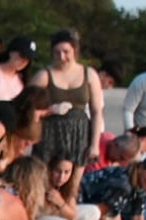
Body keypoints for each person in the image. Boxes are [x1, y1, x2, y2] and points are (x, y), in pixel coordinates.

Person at [30, 29, 104, 167]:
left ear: (74, 51)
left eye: (66, 52)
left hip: (79, 135)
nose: (62, 57)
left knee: (73, 184)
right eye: (57, 53)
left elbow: (97, 111)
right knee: (43, 179)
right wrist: (49, 110)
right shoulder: (44, 75)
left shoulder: (89, 74)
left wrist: (95, 144)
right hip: (50, 133)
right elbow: (26, 105)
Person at [34, 155, 101, 220]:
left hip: (57, 215)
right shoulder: (40, 182)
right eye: (58, 171)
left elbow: (72, 215)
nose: (61, 177)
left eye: (66, 172)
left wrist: (60, 203)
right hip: (38, 219)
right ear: (49, 169)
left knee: (94, 212)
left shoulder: (68, 186)